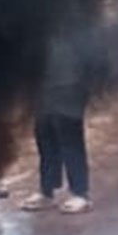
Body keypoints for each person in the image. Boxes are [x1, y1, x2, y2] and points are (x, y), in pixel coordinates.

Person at [20, 34, 92, 214]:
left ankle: (81, 193)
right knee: (44, 136)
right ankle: (47, 191)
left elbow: (91, 52)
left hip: (70, 83)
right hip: (44, 84)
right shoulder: (39, 21)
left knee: (70, 139)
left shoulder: (75, 16)